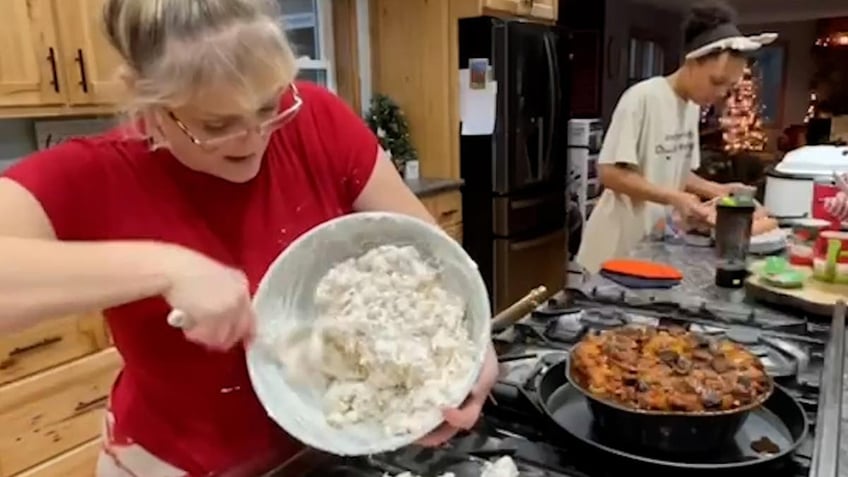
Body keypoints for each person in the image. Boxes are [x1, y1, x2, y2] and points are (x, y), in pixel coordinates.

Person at [0, 0, 498, 475]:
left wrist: (474, 355)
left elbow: (440, 261)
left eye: (268, 104)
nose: (255, 136)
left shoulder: (316, 119)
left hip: (322, 455)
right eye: (216, 124)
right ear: (145, 98)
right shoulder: (93, 176)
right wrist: (170, 267)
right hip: (170, 464)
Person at [575, 1, 777, 273]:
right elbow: (610, 173)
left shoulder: (691, 106)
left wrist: (715, 189)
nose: (720, 93)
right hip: (615, 247)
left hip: (652, 244)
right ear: (693, 61)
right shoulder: (643, 98)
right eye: (716, 81)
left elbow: (675, 171)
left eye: (728, 87)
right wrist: (674, 198)